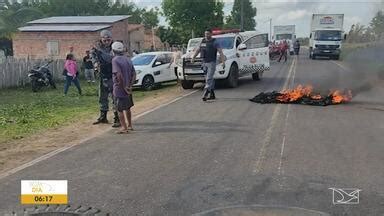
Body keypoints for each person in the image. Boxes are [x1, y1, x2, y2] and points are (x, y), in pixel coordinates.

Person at [91, 29, 120, 127]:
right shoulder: (96, 47)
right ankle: (103, 116)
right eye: (105, 40)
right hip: (102, 74)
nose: (107, 42)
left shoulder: (115, 47)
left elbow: (110, 58)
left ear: (111, 39)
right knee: (102, 96)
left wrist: (100, 53)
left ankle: (117, 118)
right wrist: (95, 63)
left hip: (113, 74)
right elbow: (93, 56)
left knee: (114, 97)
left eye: (108, 39)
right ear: (101, 39)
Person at [191, 29, 225, 101]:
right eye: (205, 34)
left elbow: (220, 52)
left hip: (211, 62)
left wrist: (223, 62)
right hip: (204, 62)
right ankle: (212, 94)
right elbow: (198, 50)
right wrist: (193, 57)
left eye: (208, 34)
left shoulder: (215, 42)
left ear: (211, 34)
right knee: (209, 78)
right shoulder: (203, 41)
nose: (206, 35)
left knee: (209, 78)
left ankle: (206, 92)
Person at [111, 41, 136, 134]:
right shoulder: (128, 59)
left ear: (113, 50)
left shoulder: (115, 60)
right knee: (128, 107)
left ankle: (124, 127)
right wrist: (130, 86)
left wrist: (124, 87)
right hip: (128, 88)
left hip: (119, 88)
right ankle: (130, 125)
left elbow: (118, 75)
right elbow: (134, 74)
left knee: (120, 109)